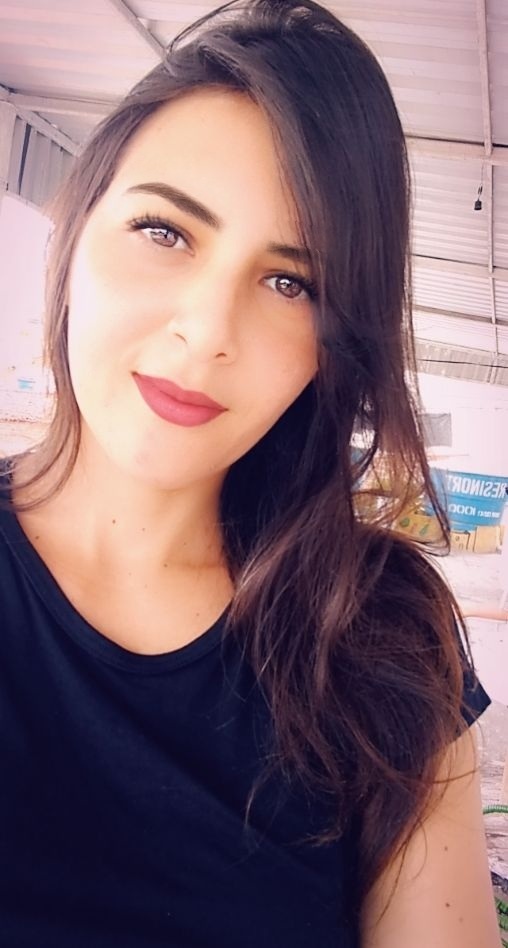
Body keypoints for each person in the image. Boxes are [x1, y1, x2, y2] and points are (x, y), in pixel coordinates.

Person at [0, 2, 500, 945]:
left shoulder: (379, 634)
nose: (207, 332)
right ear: (74, 228)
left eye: (288, 282)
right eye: (165, 232)